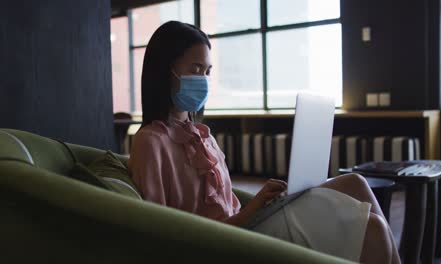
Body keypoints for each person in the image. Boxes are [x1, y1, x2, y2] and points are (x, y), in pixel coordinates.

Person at [128, 21, 401, 264]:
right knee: (373, 229)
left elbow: (228, 205)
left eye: (208, 71)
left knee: (355, 182)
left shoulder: (202, 136)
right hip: (226, 242)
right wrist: (254, 209)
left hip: (248, 222)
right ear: (166, 71)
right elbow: (161, 232)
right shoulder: (151, 142)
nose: (204, 80)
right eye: (196, 69)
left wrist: (261, 205)